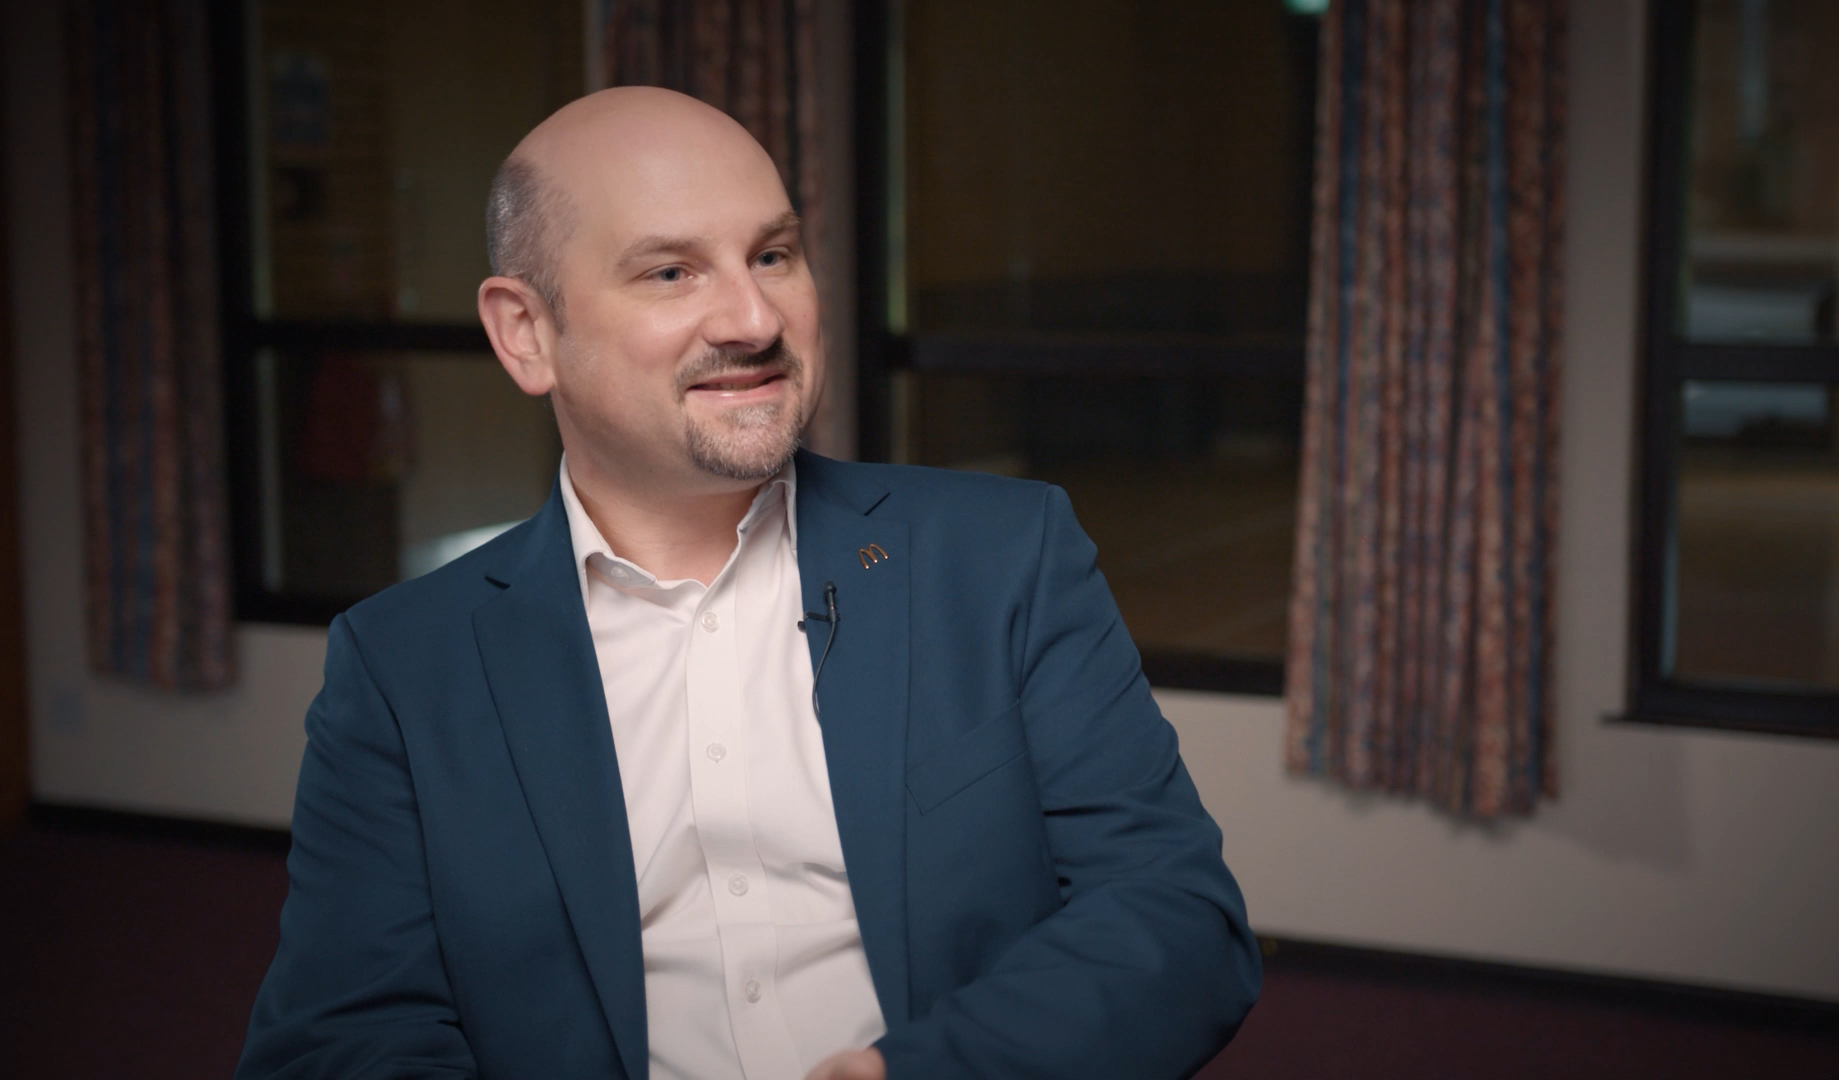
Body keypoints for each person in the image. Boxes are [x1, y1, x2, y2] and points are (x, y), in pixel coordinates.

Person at [235, 87, 1260, 1080]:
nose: (753, 317)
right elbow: (344, 1042)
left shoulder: (1000, 558)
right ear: (525, 334)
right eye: (671, 273)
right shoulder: (404, 667)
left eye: (773, 254)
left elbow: (1173, 917)